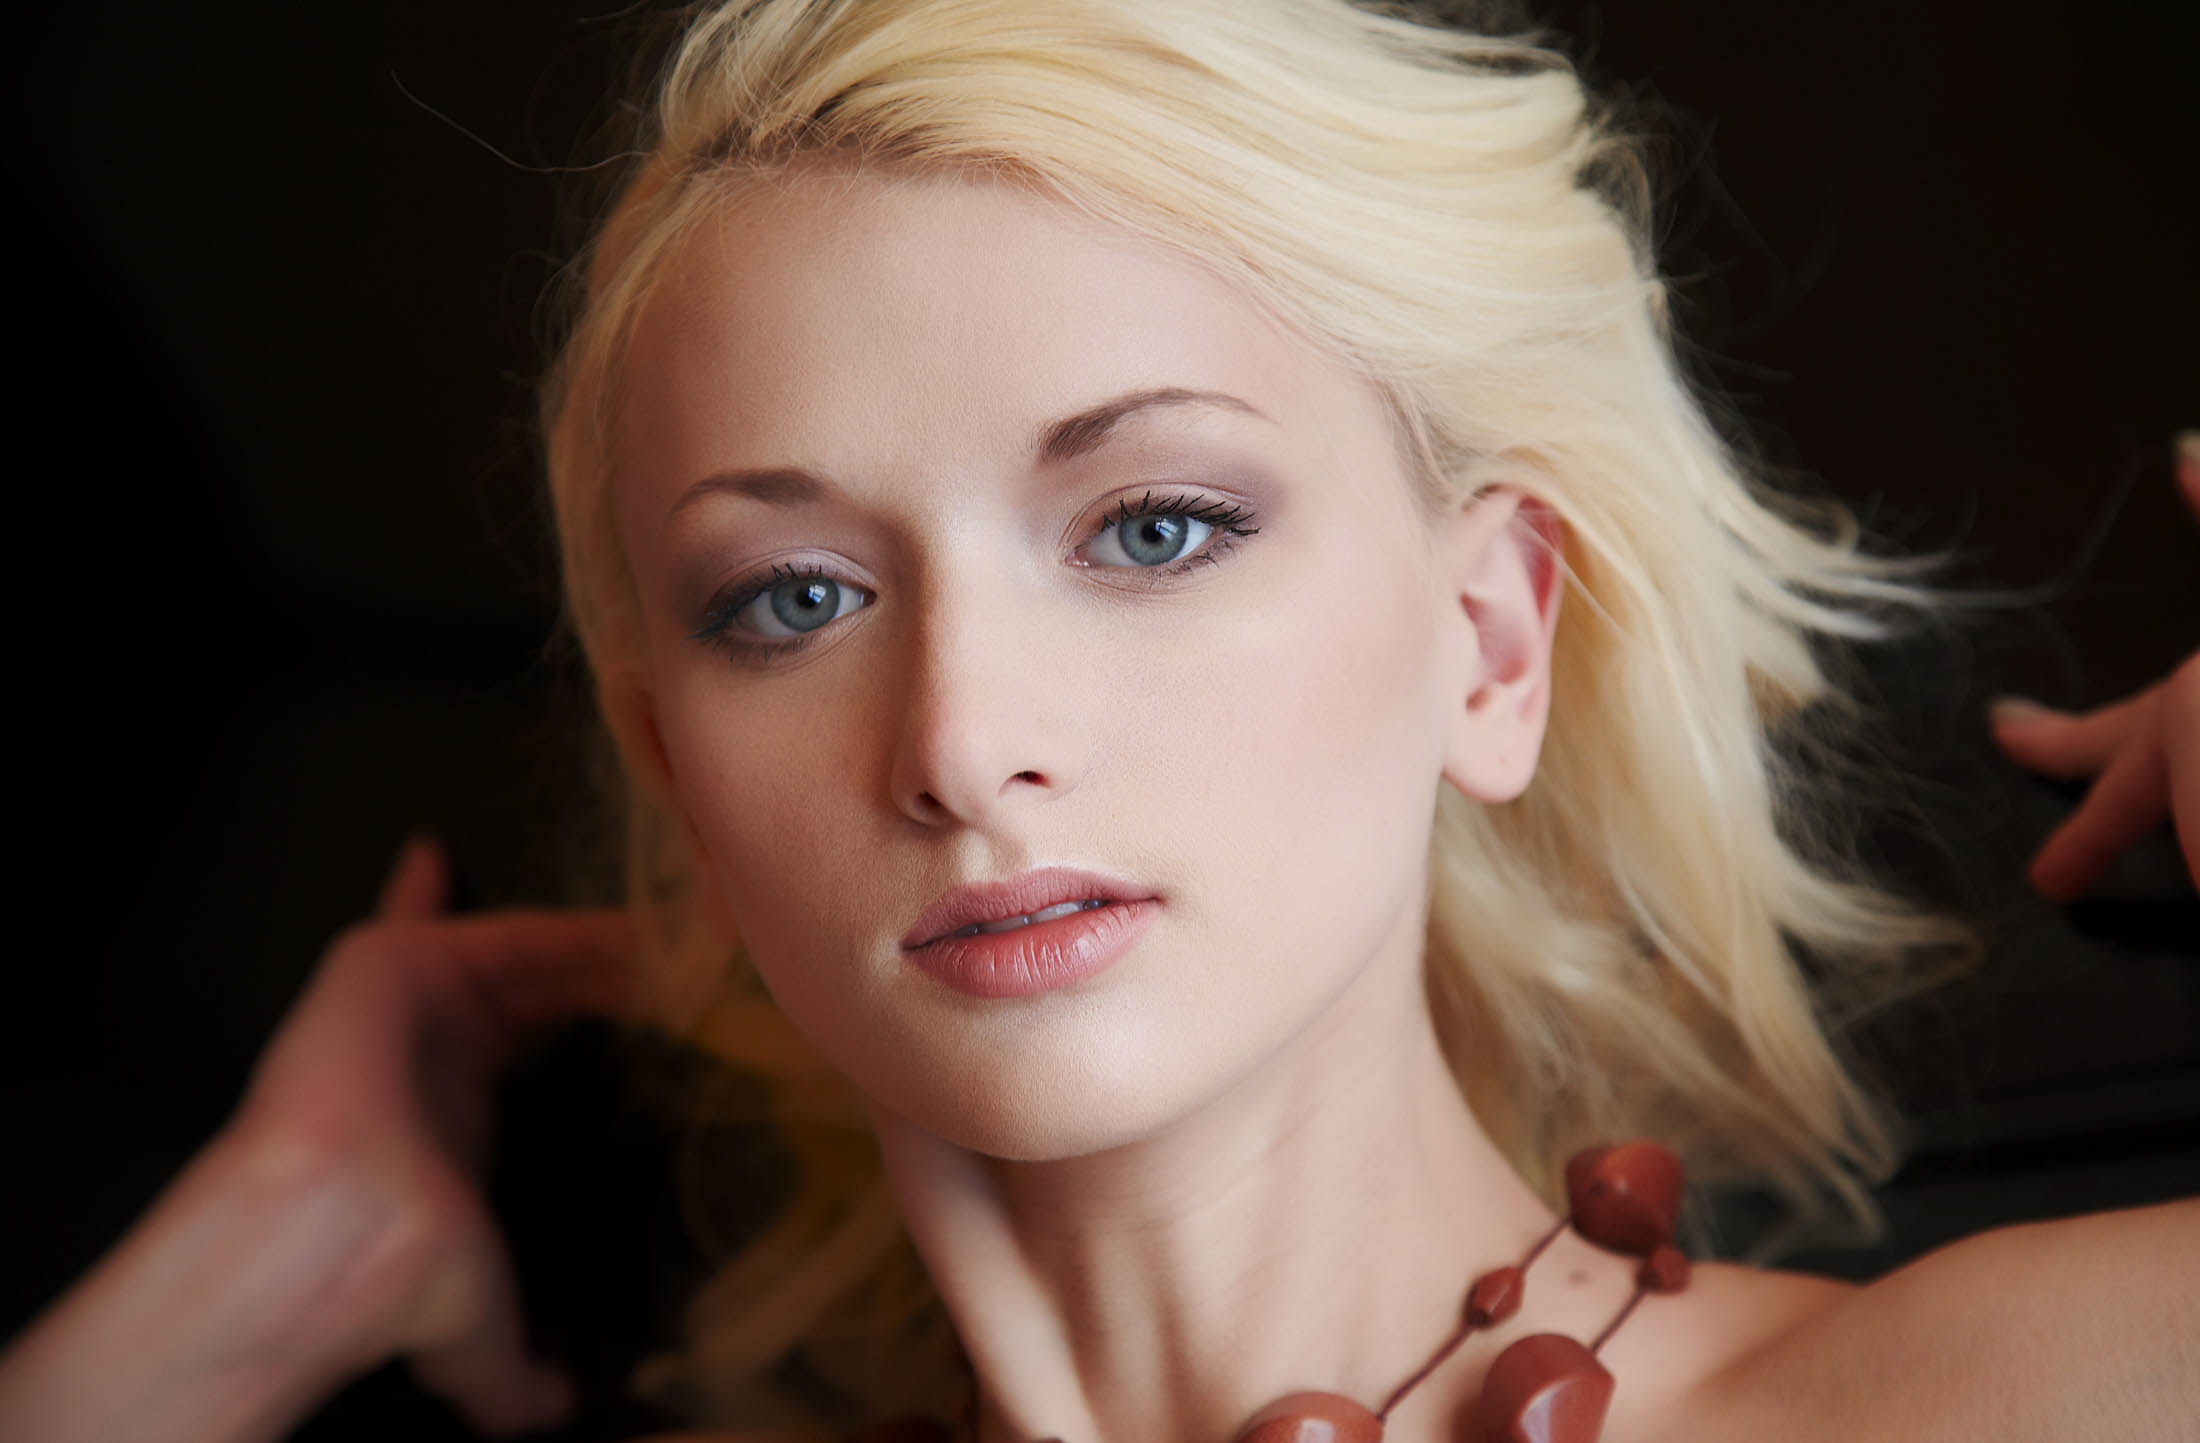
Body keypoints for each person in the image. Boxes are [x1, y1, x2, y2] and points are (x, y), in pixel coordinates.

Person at [2, 1, 2194, 1440]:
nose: (957, 738)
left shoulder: (2038, 1384)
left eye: (1149, 526)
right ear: (678, 766)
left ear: (1489, 642)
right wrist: (231, 1297)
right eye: (792, 595)